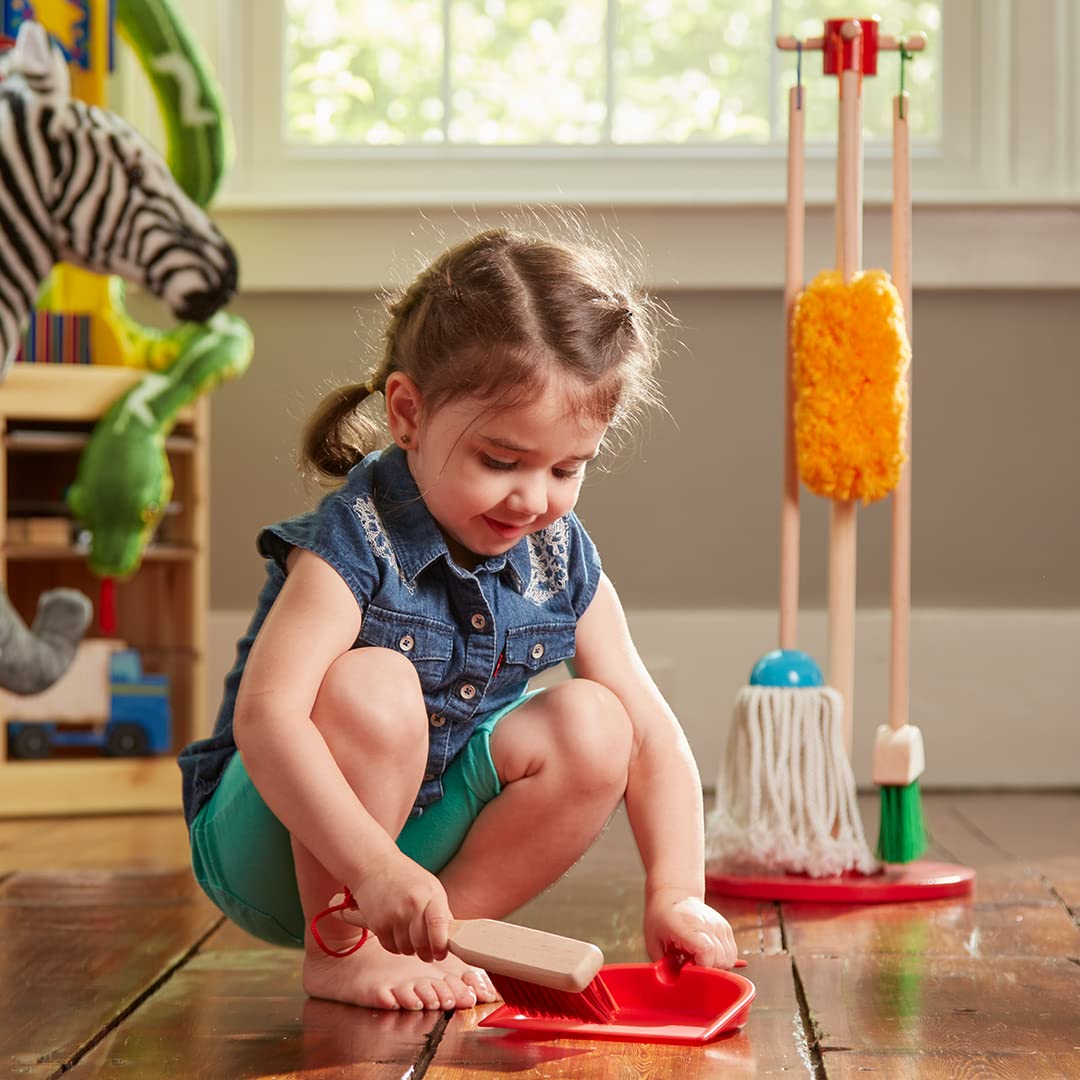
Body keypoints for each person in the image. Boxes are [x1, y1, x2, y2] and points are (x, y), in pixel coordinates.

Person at [179, 226, 737, 1012]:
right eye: (500, 461)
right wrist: (372, 869)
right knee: (372, 682)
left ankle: (442, 934)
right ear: (408, 414)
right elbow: (268, 720)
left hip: (410, 859)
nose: (533, 498)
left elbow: (653, 737)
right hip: (274, 841)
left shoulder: (557, 555)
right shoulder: (354, 538)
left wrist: (677, 892)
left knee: (601, 723)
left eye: (567, 468)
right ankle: (342, 950)